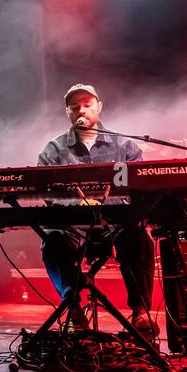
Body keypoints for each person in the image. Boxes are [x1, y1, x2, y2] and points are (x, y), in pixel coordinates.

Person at [36, 83, 156, 332]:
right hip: (73, 228)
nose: (81, 111)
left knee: (140, 239)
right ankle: (73, 309)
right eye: (74, 107)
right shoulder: (53, 150)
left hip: (116, 226)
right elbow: (49, 195)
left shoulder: (125, 146)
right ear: (67, 112)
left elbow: (139, 191)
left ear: (99, 107)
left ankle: (141, 312)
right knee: (52, 240)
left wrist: (110, 207)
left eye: (87, 105)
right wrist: (77, 204)